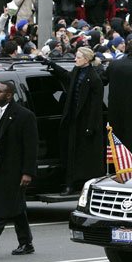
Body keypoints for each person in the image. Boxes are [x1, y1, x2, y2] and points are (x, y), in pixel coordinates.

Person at [0, 81, 39, 259]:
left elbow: (31, 147)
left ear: (9, 95)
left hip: (13, 169)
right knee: (15, 205)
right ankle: (26, 242)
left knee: (3, 206)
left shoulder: (24, 116)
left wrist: (27, 172)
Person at [44, 47, 105, 196]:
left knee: (84, 156)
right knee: (70, 153)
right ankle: (69, 184)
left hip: (86, 122)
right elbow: (66, 76)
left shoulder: (94, 78)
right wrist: (52, 64)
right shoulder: (77, 72)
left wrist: (90, 127)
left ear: (86, 59)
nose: (75, 59)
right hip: (73, 119)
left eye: (78, 57)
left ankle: (83, 185)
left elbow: (95, 107)